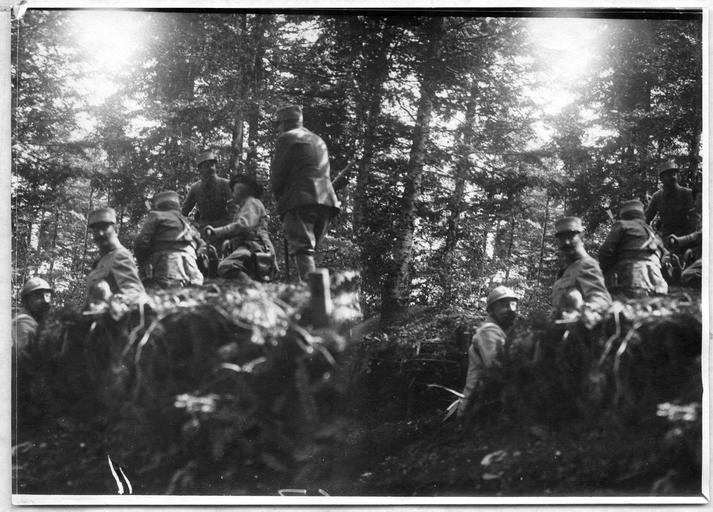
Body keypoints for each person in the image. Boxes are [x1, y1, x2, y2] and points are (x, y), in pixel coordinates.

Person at [269, 105, 340, 281]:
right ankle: (315, 294)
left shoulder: (286, 138)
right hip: (326, 202)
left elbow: (278, 175)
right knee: (309, 251)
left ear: (284, 123)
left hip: (300, 200)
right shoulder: (318, 139)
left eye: (278, 125)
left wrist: (281, 201)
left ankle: (313, 300)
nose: (278, 130)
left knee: (303, 251)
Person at [457, 286, 519, 418]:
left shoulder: (501, 331)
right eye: (503, 304)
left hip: (484, 406)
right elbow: (498, 367)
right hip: (476, 410)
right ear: (491, 310)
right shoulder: (488, 330)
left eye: (513, 304)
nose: (510, 309)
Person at [204, 174, 277, 282]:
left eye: (233, 190)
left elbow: (243, 226)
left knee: (227, 266)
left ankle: (254, 289)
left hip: (255, 248)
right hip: (248, 248)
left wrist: (216, 232)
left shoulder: (252, 203)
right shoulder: (244, 207)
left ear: (239, 191)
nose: (232, 195)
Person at [134, 190, 205, 288]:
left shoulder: (156, 216)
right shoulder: (186, 222)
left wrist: (143, 262)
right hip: (192, 269)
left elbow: (141, 243)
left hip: (166, 267)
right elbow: (202, 244)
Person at [598, 199, 668, 298]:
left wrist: (608, 271)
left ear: (624, 215)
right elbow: (664, 255)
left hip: (632, 278)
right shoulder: (652, 232)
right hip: (658, 280)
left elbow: (605, 252)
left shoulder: (621, 225)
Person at [551, 216, 612, 326]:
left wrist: (584, 313)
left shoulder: (587, 264)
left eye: (571, 236)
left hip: (579, 333)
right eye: (561, 238)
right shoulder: (567, 270)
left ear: (582, 237)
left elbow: (601, 300)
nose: (566, 242)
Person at [86, 207, 146, 307]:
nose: (100, 233)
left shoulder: (120, 255)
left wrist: (112, 306)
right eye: (96, 230)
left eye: (104, 228)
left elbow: (134, 294)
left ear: (115, 229)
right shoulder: (101, 260)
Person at [181, 149, 234, 230]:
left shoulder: (226, 184)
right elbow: (184, 211)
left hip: (224, 227)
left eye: (212, 165)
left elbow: (234, 210)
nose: (211, 168)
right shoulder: (195, 188)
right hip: (203, 228)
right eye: (206, 166)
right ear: (200, 170)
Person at [645, 159, 694, 243]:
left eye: (674, 174)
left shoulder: (688, 193)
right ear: (661, 179)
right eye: (669, 175)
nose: (673, 177)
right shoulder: (657, 197)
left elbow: (698, 217)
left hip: (688, 238)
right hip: (666, 239)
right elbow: (647, 218)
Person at [12, 277, 53, 357]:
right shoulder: (21, 322)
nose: (45, 301)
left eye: (47, 296)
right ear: (26, 301)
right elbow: (30, 356)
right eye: (39, 296)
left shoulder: (39, 321)